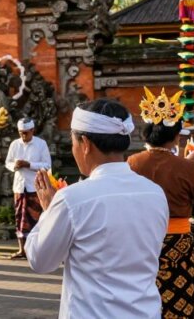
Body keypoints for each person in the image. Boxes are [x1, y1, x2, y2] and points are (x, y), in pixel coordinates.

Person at [26, 99, 168, 319]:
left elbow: (40, 260)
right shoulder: (155, 193)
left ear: (85, 144)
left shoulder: (73, 199)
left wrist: (48, 211)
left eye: (72, 141)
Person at [128, 89, 194, 319]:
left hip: (141, 240)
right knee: (178, 304)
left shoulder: (133, 163)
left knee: (139, 300)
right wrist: (189, 168)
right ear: (176, 137)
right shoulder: (187, 167)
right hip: (178, 244)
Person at [4, 117, 51, 259]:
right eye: (21, 133)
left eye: (26, 133)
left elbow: (47, 165)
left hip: (35, 187)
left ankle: (36, 251)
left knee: (35, 219)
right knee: (19, 218)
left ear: (32, 130)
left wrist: (29, 164)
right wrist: (14, 166)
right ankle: (22, 250)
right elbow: (8, 162)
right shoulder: (14, 144)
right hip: (19, 186)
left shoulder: (41, 144)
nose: (23, 136)